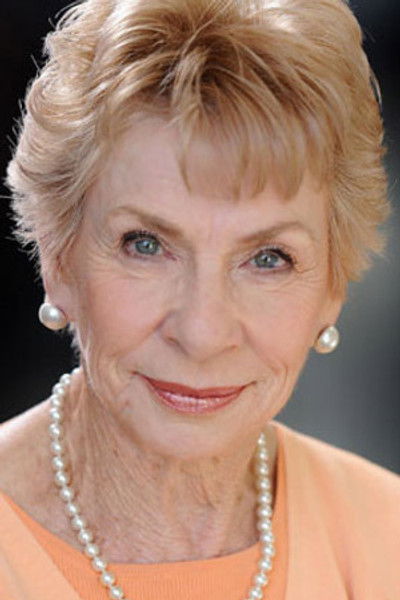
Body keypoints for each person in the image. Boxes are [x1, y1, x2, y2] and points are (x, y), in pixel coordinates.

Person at [0, 0, 399, 598]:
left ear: (333, 286)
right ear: (57, 259)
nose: (203, 333)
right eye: (146, 245)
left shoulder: (387, 536)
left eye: (268, 258)